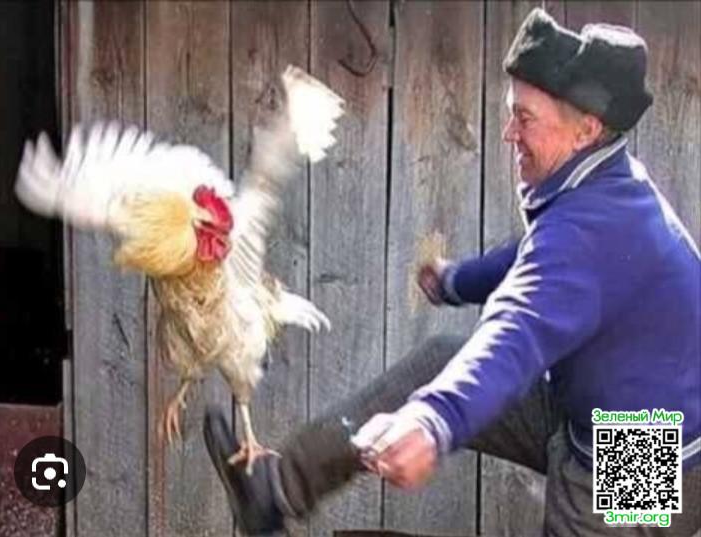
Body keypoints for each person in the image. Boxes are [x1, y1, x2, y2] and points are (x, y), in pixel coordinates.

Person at [204, 8, 701, 536]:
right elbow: (537, 258)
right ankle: (275, 490)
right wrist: (458, 281)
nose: (509, 133)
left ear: (586, 130)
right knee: (440, 362)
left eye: (525, 118)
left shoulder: (590, 230)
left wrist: (433, 420)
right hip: (596, 415)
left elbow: (516, 332)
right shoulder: (605, 187)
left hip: (648, 457)